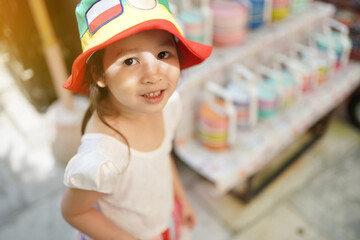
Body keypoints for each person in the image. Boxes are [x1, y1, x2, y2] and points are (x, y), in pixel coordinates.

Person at [60, 0, 212, 239]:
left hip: (161, 219)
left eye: (163, 54)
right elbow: (74, 212)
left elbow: (161, 155)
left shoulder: (164, 107)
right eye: (130, 61)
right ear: (99, 74)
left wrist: (181, 199)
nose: (154, 73)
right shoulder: (102, 156)